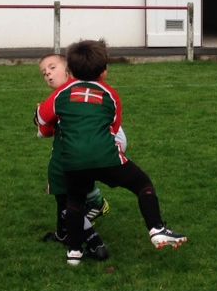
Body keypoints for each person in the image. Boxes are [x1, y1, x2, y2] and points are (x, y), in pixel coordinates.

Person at [36, 40, 187, 266]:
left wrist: (46, 124)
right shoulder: (110, 94)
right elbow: (114, 129)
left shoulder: (61, 93)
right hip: (106, 157)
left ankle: (74, 253)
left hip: (73, 161)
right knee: (142, 183)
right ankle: (156, 228)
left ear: (70, 70)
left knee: (74, 201)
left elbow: (42, 119)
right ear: (104, 71)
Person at [36, 53, 121, 260]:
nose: (47, 74)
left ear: (69, 69)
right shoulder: (76, 90)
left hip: (81, 153)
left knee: (67, 197)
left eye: (52, 67)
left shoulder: (68, 92)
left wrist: (39, 119)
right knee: (66, 194)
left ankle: (95, 242)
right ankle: (64, 232)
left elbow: (44, 129)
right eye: (44, 72)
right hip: (95, 149)